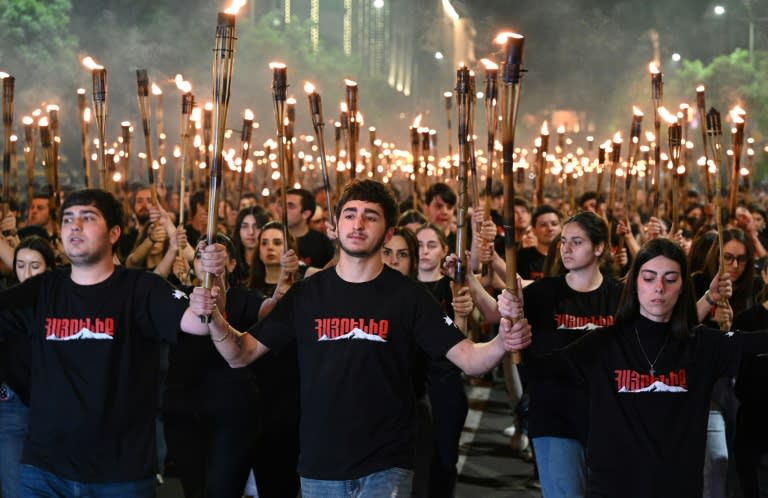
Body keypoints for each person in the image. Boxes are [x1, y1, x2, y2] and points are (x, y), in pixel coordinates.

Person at [190, 179, 532, 496]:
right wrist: (214, 316)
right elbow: (240, 353)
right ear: (336, 227)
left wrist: (503, 340)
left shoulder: (409, 297)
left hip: (387, 462)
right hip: (320, 463)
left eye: (370, 217)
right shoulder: (307, 295)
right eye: (350, 215)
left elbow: (470, 359)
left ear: (388, 233)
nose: (358, 224)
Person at [0, 189, 225, 498]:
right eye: (67, 219)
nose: (74, 226)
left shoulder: (140, 288)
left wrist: (212, 285)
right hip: (45, 471)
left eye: (87, 218)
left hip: (119, 474)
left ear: (115, 233)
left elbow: (198, 323)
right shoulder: (42, 290)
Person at [498, 238, 762, 497]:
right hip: (611, 488)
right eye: (649, 278)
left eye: (670, 279)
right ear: (634, 283)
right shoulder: (603, 344)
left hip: (678, 488)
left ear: (683, 286)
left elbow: (757, 342)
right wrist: (515, 323)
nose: (659, 287)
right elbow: (541, 368)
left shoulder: (702, 345)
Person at [520, 211, 624, 498]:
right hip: (555, 414)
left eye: (576, 242)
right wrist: (472, 278)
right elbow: (498, 312)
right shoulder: (542, 293)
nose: (566, 248)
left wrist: (708, 300)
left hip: (608, 417)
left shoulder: (621, 296)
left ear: (599, 247)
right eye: (564, 241)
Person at [0, 236, 56, 498]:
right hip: (13, 405)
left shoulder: (63, 305)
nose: (26, 273)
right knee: (14, 486)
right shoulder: (7, 303)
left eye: (35, 266)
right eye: (20, 265)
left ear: (49, 269)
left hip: (55, 405)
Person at [285, 188, 335, 268]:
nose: (284, 210)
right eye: (283, 205)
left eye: (290, 206)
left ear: (305, 214)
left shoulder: (322, 242)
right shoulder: (275, 238)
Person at [517, 205, 563, 281]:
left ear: (561, 227)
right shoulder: (522, 257)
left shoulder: (569, 256)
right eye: (543, 225)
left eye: (554, 224)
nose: (550, 228)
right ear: (534, 230)